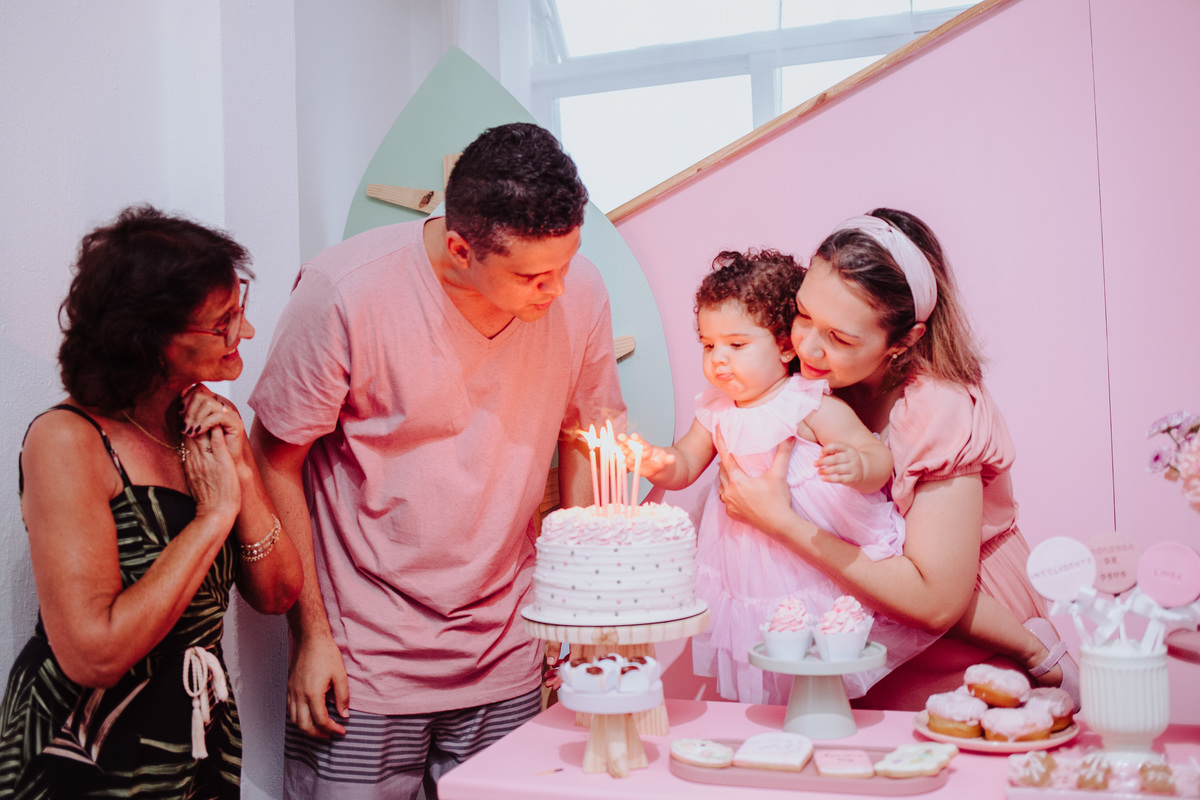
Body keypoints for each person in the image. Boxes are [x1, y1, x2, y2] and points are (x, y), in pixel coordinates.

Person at [249, 122, 625, 799]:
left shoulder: (582, 292)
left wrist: (577, 607)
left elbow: (583, 439)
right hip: (362, 661)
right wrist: (311, 636)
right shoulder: (345, 291)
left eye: (566, 266)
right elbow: (275, 461)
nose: (557, 291)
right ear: (460, 248)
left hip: (508, 652)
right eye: (535, 276)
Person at [715, 209, 1079, 710]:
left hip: (965, 628)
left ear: (904, 340)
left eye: (840, 338)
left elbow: (935, 602)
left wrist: (780, 523)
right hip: (863, 613)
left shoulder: (935, 407)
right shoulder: (803, 385)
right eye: (803, 314)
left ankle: (1043, 654)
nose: (806, 345)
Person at [0, 206, 303, 798]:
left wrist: (240, 468)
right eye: (223, 321)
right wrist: (214, 517)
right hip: (87, 750)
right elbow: (95, 654)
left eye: (239, 309)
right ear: (152, 341)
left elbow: (277, 594)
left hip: (193, 734)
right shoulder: (67, 441)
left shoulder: (198, 421)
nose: (244, 333)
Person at [622, 249, 939, 704]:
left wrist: (858, 464)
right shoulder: (716, 409)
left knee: (820, 644)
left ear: (785, 345)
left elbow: (876, 454)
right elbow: (686, 464)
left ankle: (822, 712)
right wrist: (656, 461)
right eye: (709, 346)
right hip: (748, 560)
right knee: (768, 643)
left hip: (812, 555)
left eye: (736, 345)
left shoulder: (806, 403)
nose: (719, 361)